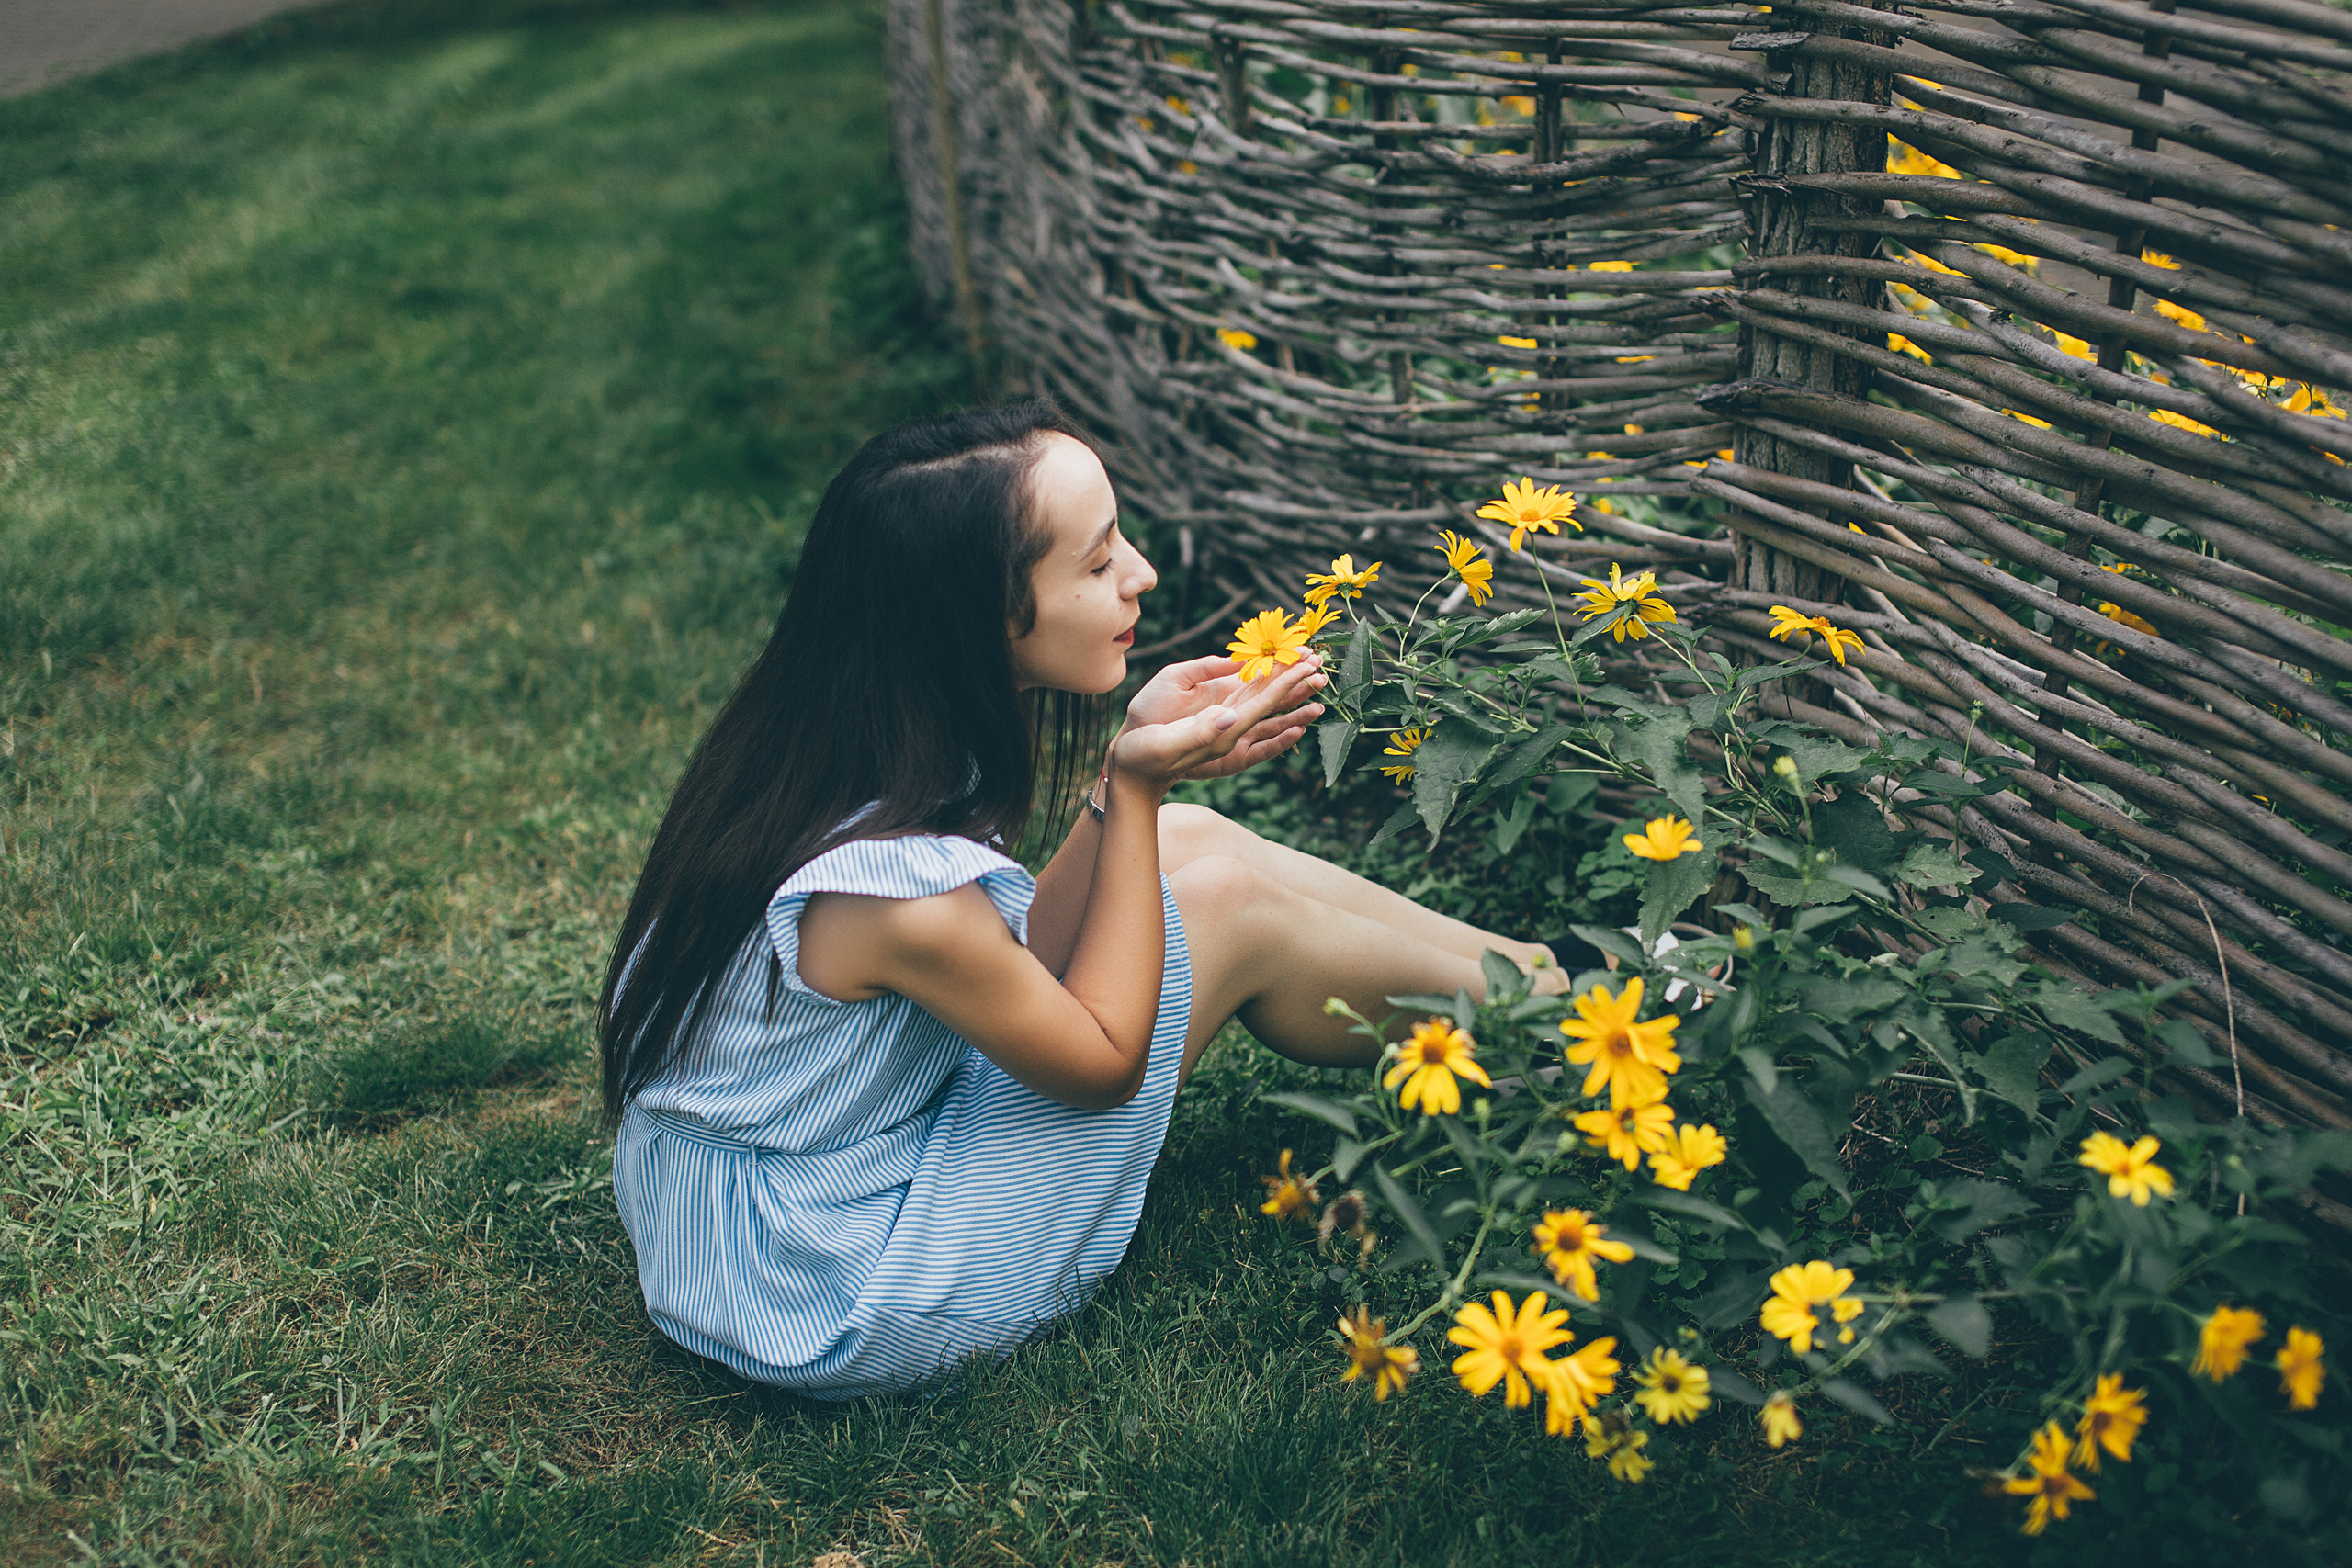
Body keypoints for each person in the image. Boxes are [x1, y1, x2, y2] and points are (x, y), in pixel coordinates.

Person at [599, 398, 1562, 1398]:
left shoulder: (838, 745)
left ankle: (1548, 982)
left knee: (1182, 843)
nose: (1140, 575)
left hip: (783, 1192)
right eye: (1098, 564)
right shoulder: (888, 892)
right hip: (824, 1281)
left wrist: (1122, 789)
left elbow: (1010, 954)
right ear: (979, 616)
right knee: (1224, 907)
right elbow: (1101, 1063)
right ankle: (1575, 1034)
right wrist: (1139, 788)